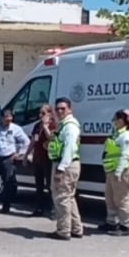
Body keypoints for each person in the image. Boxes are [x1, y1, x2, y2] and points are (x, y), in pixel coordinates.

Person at [101, 109, 129, 236]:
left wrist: (119, 172)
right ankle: (112, 222)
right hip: (112, 170)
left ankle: (125, 226)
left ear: (123, 120)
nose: (114, 122)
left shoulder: (127, 136)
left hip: (123, 170)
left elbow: (126, 155)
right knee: (110, 197)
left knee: (121, 199)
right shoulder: (117, 134)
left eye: (116, 119)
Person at [47, 96, 83, 240]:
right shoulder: (63, 125)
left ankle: (63, 231)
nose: (59, 111)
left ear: (70, 109)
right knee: (69, 198)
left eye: (63, 108)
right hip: (67, 163)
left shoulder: (70, 127)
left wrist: (60, 169)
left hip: (66, 165)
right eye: (57, 109)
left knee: (61, 198)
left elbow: (68, 148)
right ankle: (76, 228)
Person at [0, 108, 29, 214]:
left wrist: (19, 154)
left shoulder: (16, 129)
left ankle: (5, 206)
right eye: (6, 117)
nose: (8, 119)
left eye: (10, 117)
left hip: (8, 158)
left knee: (8, 183)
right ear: (1, 118)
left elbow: (26, 142)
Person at [28, 104, 56, 217]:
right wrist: (26, 154)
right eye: (40, 113)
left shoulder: (53, 125)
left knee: (50, 185)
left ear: (49, 114)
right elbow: (34, 141)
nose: (41, 115)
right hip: (37, 158)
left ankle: (53, 209)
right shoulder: (36, 126)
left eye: (43, 113)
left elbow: (51, 138)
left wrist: (45, 127)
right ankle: (39, 208)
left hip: (47, 159)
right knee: (38, 186)